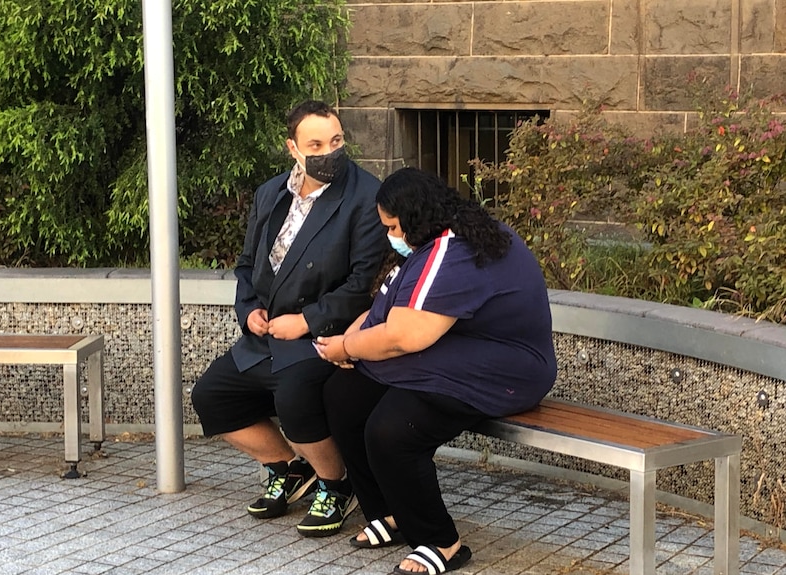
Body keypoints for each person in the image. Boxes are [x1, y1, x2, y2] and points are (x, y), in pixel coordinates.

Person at [314, 167, 558, 574]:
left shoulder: (454, 251)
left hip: (508, 370)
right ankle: (391, 513)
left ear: (413, 219)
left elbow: (403, 337)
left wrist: (345, 346)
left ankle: (441, 543)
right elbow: (383, 310)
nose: (389, 235)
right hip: (461, 353)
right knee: (345, 395)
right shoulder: (436, 241)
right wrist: (350, 346)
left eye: (392, 227)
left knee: (391, 430)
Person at [191, 100, 387, 537]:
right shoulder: (271, 193)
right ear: (292, 149)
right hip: (266, 333)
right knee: (211, 397)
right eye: (315, 143)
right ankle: (287, 468)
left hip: (321, 335)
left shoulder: (365, 197)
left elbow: (361, 285)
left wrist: (307, 321)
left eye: (335, 140)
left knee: (294, 398)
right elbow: (246, 265)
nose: (329, 150)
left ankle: (337, 485)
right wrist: (249, 313)